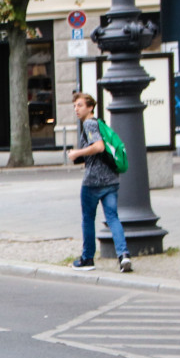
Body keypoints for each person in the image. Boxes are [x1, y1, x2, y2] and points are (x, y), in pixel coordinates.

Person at [66, 92, 132, 273]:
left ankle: (87, 258)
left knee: (88, 219)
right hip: (111, 179)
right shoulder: (100, 123)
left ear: (90, 108)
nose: (76, 109)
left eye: (80, 105)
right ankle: (123, 255)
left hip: (93, 181)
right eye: (74, 106)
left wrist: (76, 153)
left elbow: (99, 147)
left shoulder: (89, 123)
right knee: (113, 218)